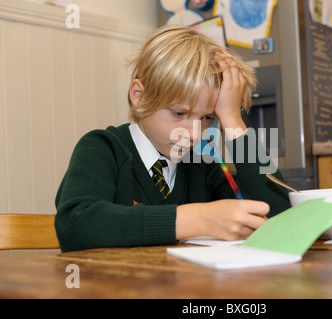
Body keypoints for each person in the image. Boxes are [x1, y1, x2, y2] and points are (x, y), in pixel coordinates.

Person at [55, 25, 290, 253]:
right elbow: (75, 226)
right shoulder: (102, 148)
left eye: (208, 118)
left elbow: (281, 218)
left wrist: (232, 120)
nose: (195, 134)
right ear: (138, 96)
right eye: (179, 113)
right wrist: (196, 219)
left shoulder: (202, 165)